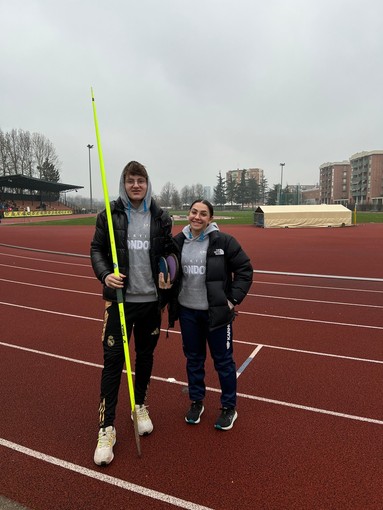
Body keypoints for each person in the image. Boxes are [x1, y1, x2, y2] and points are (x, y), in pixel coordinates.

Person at [90, 160, 174, 466]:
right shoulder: (109, 215)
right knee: (113, 364)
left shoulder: (161, 217)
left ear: (147, 183)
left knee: (146, 358)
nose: (135, 185)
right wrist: (104, 275)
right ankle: (106, 428)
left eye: (140, 180)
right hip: (120, 302)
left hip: (151, 302)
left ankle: (139, 405)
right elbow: (96, 250)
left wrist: (170, 271)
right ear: (123, 184)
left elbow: (169, 252)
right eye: (130, 181)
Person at [163, 199, 253, 431]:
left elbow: (244, 269)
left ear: (210, 218)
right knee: (194, 359)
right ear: (188, 214)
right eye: (194, 212)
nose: (197, 217)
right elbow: (167, 270)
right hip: (188, 312)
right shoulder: (178, 242)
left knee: (223, 362)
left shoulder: (224, 241)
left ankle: (228, 407)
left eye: (203, 214)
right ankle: (196, 402)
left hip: (217, 315)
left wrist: (232, 300)